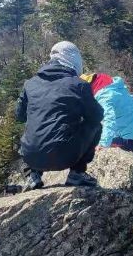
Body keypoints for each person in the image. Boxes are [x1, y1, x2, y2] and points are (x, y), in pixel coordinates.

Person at [16, 41, 103, 190]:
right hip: (64, 157)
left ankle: (33, 176)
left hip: (31, 157)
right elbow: (97, 116)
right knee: (95, 126)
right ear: (74, 60)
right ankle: (77, 173)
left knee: (35, 125)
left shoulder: (30, 84)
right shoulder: (79, 84)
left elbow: (19, 115)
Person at [81, 72, 133, 153]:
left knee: (91, 138)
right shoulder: (115, 87)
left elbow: (109, 120)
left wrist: (103, 143)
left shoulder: (105, 99)